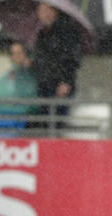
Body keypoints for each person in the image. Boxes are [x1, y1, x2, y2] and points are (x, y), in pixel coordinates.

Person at [30, 1, 82, 131]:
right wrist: (31, 64)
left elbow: (73, 57)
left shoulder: (66, 30)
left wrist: (66, 81)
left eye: (43, 9)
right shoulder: (42, 33)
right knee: (44, 122)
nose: (40, 13)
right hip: (44, 85)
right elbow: (43, 59)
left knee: (55, 123)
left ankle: (56, 148)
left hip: (59, 86)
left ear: (53, 11)